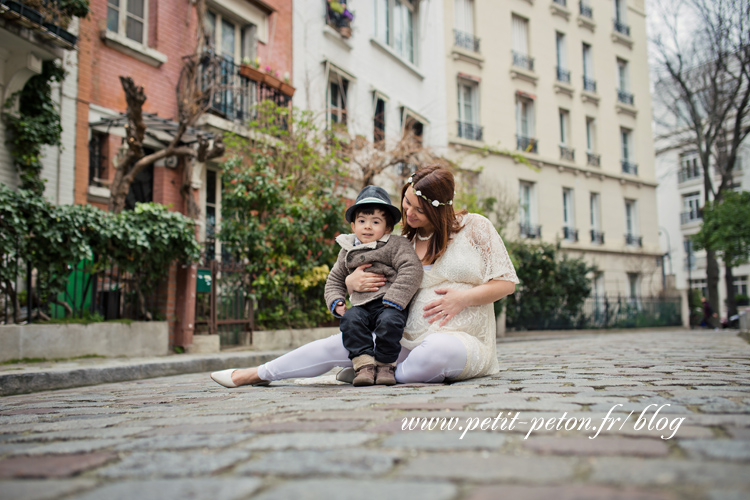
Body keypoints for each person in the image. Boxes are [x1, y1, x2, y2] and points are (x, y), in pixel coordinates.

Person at [210, 165, 518, 388]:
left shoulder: (475, 228)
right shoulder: (400, 241)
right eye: (406, 202)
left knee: (436, 352)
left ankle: (371, 371)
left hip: (461, 342)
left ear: (439, 210)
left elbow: (506, 283)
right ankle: (255, 374)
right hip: (402, 338)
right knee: (338, 343)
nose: (408, 213)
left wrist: (464, 298)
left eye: (419, 210)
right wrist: (348, 283)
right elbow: (356, 273)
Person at [325, 185, 423, 386]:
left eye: (375, 222)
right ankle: (364, 366)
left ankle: (386, 365)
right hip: (361, 306)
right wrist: (336, 301)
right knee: (350, 322)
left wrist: (395, 299)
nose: (367, 226)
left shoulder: (395, 245)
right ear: (353, 226)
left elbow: (412, 269)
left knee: (390, 324)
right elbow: (334, 278)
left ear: (387, 228)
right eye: (362, 221)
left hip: (389, 304)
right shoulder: (347, 249)